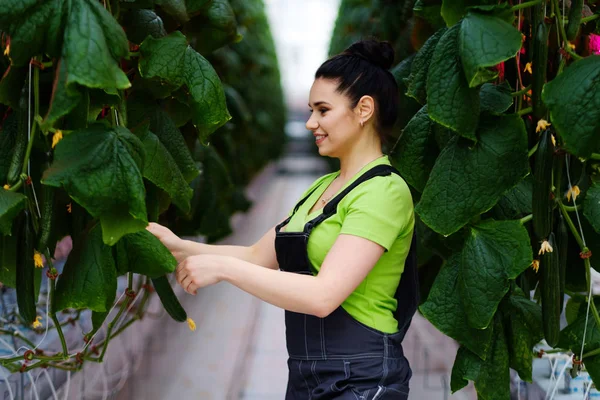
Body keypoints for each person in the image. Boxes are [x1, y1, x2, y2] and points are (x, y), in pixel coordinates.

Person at [147, 38, 418, 400]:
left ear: (364, 109)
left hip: (363, 377)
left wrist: (223, 270)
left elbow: (324, 296)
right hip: (306, 375)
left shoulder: (384, 192)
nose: (310, 123)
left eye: (323, 110)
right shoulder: (323, 187)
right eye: (310, 110)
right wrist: (179, 247)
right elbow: (258, 256)